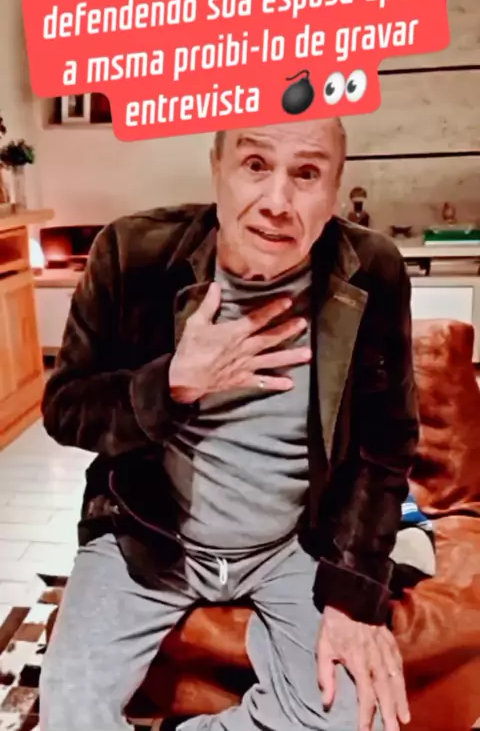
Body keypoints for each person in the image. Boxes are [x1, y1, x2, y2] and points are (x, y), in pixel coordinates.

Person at [39, 118, 420, 731]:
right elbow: (65, 409)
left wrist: (355, 595)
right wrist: (171, 384)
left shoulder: (371, 269)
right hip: (146, 534)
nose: (277, 201)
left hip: (291, 546)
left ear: (334, 189)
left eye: (306, 173)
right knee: (69, 713)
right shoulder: (130, 253)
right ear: (217, 167)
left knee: (354, 717)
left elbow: (386, 446)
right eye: (255, 164)